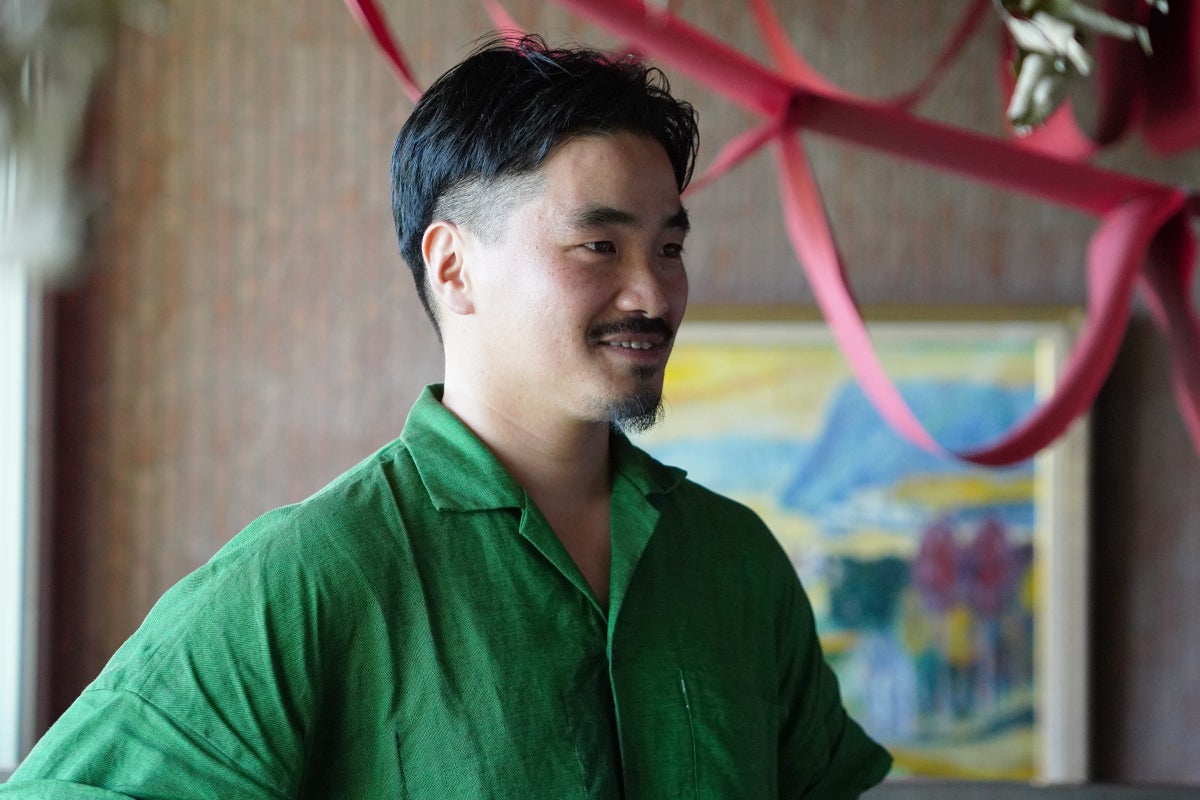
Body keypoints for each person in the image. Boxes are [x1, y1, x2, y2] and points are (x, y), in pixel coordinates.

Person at [1, 35, 891, 798]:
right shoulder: (313, 574)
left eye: (668, 247)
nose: (653, 294)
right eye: (599, 245)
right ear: (454, 267)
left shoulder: (735, 562)